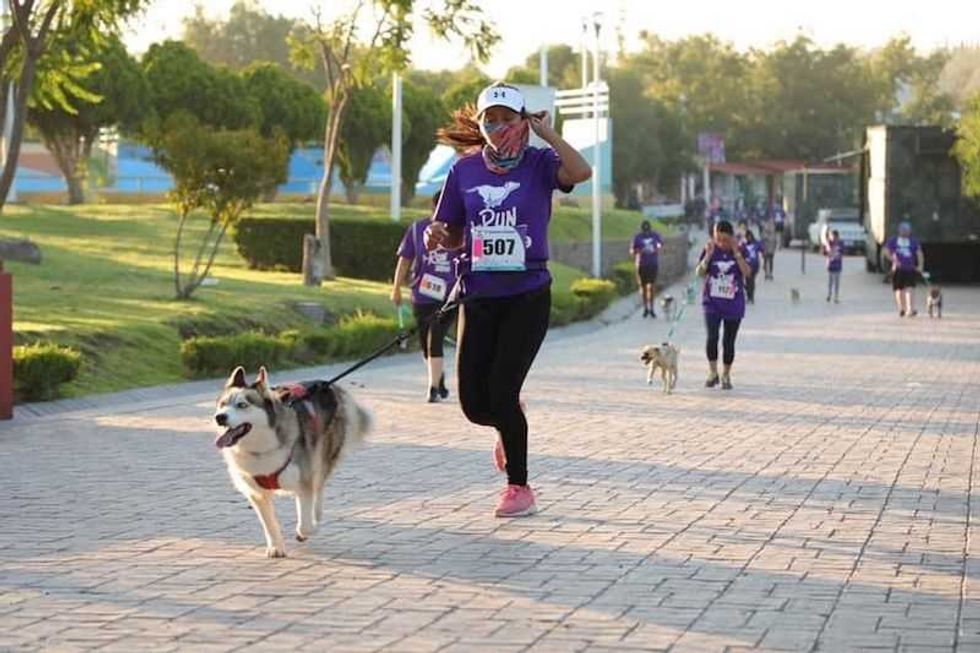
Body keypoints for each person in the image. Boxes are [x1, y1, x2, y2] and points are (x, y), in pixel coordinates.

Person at [424, 82, 591, 517]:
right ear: (481, 125)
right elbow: (452, 230)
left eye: (507, 118)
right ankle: (507, 417)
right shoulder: (463, 171)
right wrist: (439, 236)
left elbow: (582, 172)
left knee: (500, 390)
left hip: (527, 295)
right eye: (489, 119)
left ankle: (519, 487)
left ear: (523, 121)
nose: (499, 127)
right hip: (479, 294)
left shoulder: (540, 163)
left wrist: (548, 134)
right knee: (475, 405)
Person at [391, 192, 461, 402]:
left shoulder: (460, 232)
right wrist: (396, 288)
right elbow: (405, 260)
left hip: (449, 296)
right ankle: (437, 377)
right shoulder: (417, 230)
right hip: (422, 294)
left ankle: (432, 388)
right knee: (425, 341)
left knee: (436, 337)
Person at [696, 220, 750, 390]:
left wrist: (736, 253)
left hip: (733, 303)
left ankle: (726, 374)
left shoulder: (740, 249)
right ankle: (713, 373)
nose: (721, 243)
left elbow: (747, 272)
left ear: (732, 238)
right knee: (712, 337)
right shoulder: (710, 249)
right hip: (711, 302)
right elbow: (699, 272)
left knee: (728, 341)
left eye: (725, 240)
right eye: (718, 239)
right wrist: (708, 256)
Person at [885, 221, 924, 317]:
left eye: (906, 230)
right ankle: (901, 308)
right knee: (899, 289)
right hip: (898, 269)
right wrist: (893, 259)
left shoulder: (913, 241)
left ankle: (910, 309)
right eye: (903, 230)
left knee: (910, 288)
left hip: (910, 268)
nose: (905, 232)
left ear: (909, 231)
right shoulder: (893, 240)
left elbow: (919, 253)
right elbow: (886, 252)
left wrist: (920, 266)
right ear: (899, 231)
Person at [630, 220, 664, 318]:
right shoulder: (638, 237)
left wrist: (656, 249)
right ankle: (645, 308)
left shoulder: (654, 235)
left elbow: (660, 244)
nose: (646, 232)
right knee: (643, 287)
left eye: (647, 230)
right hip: (642, 264)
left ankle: (652, 308)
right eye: (645, 231)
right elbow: (632, 250)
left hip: (652, 264)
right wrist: (639, 251)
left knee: (652, 286)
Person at [741, 229, 762, 304]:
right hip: (747, 265)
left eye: (750, 236)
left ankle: (751, 296)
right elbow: (740, 253)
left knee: (751, 280)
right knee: (747, 281)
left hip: (755, 265)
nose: (749, 238)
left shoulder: (756, 243)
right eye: (747, 237)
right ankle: (749, 295)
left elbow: (762, 249)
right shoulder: (744, 245)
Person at [823, 229, 843, 303]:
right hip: (831, 265)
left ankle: (836, 297)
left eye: (835, 237)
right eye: (833, 236)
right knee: (830, 281)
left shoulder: (840, 244)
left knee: (837, 282)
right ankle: (829, 295)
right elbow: (824, 253)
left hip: (837, 265)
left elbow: (842, 252)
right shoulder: (829, 243)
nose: (834, 238)